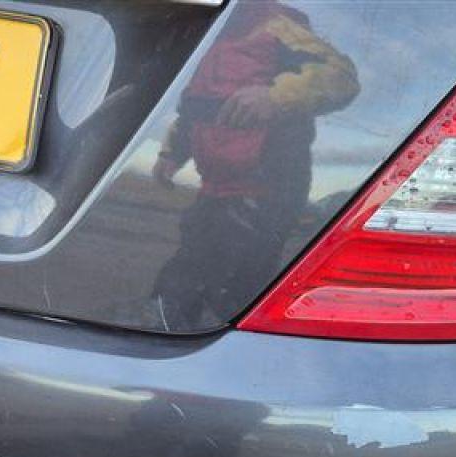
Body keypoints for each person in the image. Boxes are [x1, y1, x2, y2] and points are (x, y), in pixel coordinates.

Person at [151, 1, 359, 331]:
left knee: (241, 285)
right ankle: (169, 329)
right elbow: (194, 107)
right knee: (188, 268)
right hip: (215, 188)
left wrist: (275, 97)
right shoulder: (209, 36)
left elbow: (342, 76)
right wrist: (170, 154)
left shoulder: (280, 26)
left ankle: (217, 336)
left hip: (267, 191)